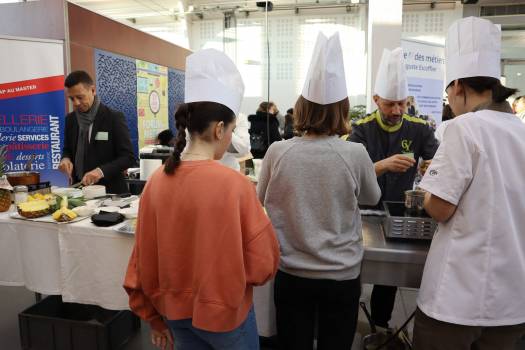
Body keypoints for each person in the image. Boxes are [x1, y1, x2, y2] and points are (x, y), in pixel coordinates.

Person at [124, 49, 280, 350]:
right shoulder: (235, 185)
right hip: (226, 318)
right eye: (232, 129)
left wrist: (155, 320)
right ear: (220, 129)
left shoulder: (156, 181)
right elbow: (262, 265)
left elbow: (140, 262)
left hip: (174, 315)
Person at [258, 32, 381, 350]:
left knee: (292, 343)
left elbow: (260, 200)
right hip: (341, 275)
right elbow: (372, 198)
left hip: (291, 271)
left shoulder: (277, 151)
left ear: (301, 108)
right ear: (343, 109)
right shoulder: (355, 153)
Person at [413, 17, 525, 350]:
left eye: (448, 93)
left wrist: (430, 190)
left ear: (458, 86)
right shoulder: (521, 130)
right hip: (512, 301)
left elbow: (440, 207)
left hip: (457, 299)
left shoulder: (465, 128)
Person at [349, 47, 439, 330]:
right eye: (390, 104)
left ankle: (380, 326)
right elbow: (349, 172)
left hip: (400, 212)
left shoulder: (419, 129)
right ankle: (349, 320)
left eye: (402, 103)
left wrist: (430, 168)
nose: (397, 111)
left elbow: (437, 162)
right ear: (376, 100)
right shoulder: (361, 129)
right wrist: (381, 165)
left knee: (388, 280)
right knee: (355, 273)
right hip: (363, 212)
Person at [58, 71, 135, 194]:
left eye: (80, 97)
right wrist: (65, 159)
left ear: (93, 90)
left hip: (110, 193)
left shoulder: (113, 118)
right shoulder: (71, 119)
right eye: (71, 98)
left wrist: (100, 171)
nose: (75, 103)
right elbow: (67, 149)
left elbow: (128, 158)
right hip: (79, 191)